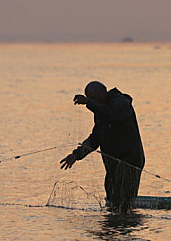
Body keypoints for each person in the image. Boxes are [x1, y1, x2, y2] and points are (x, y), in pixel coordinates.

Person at [60, 81, 145, 212]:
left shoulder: (120, 103)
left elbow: (111, 114)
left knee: (124, 202)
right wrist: (76, 155)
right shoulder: (101, 111)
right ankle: (113, 228)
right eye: (90, 99)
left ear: (103, 92)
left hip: (130, 161)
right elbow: (95, 139)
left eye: (94, 99)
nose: (92, 102)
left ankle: (126, 228)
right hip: (112, 163)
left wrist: (89, 103)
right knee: (111, 198)